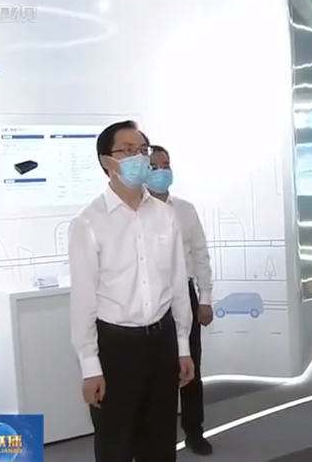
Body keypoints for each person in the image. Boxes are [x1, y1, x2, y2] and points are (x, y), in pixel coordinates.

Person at [69, 120, 194, 462]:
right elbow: (83, 301)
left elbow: (177, 284)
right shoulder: (88, 222)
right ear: (107, 160)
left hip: (161, 342)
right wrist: (90, 366)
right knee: (116, 444)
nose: (139, 157)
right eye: (127, 151)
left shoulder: (166, 216)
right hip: (116, 347)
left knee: (160, 442)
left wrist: (183, 346)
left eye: (142, 150)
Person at [147, 144, 215, 456]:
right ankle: (156, 435)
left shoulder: (185, 210)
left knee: (190, 365)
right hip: (151, 298)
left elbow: (200, 255)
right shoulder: (136, 213)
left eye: (166, 165)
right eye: (155, 167)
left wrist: (205, 298)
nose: (163, 172)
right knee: (156, 370)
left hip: (185, 294)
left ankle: (194, 431)